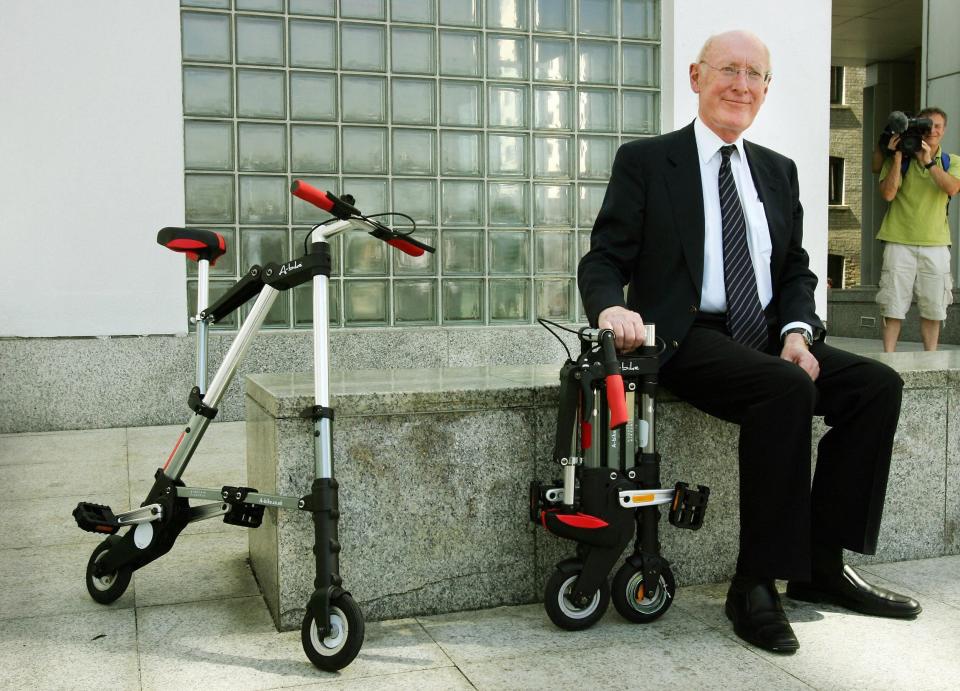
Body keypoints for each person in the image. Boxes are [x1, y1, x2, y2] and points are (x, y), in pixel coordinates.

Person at [578, 30, 921, 655]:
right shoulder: (649, 160)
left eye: (754, 74)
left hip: (764, 334)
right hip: (687, 337)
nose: (741, 84)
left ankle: (819, 569)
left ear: (767, 88)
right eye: (728, 70)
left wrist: (796, 330)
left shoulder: (778, 169)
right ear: (696, 77)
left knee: (876, 386)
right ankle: (754, 584)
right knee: (785, 389)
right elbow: (605, 256)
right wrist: (610, 307)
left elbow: (795, 269)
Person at [876, 107, 959, 351]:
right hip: (898, 240)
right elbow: (888, 194)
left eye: (937, 126)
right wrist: (899, 156)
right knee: (892, 306)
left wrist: (929, 162)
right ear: (918, 128)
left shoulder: (950, 161)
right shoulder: (898, 160)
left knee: (934, 308)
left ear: (944, 131)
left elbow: (952, 188)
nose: (932, 130)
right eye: (928, 125)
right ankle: (888, 358)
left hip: (936, 244)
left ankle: (931, 359)